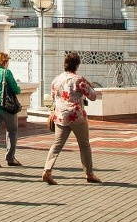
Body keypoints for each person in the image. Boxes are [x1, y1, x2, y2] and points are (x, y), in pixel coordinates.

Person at [41, 51, 101, 184]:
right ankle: (89, 174)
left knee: (57, 144)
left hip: (61, 116)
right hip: (76, 116)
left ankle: (47, 170)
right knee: (84, 145)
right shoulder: (79, 80)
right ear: (77, 65)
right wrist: (89, 85)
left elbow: (53, 97)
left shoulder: (56, 79)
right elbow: (93, 96)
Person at [0, 52, 23, 168]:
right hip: (6, 106)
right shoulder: (6, 72)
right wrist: (18, 87)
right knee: (12, 130)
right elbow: (15, 89)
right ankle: (10, 158)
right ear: (4, 62)